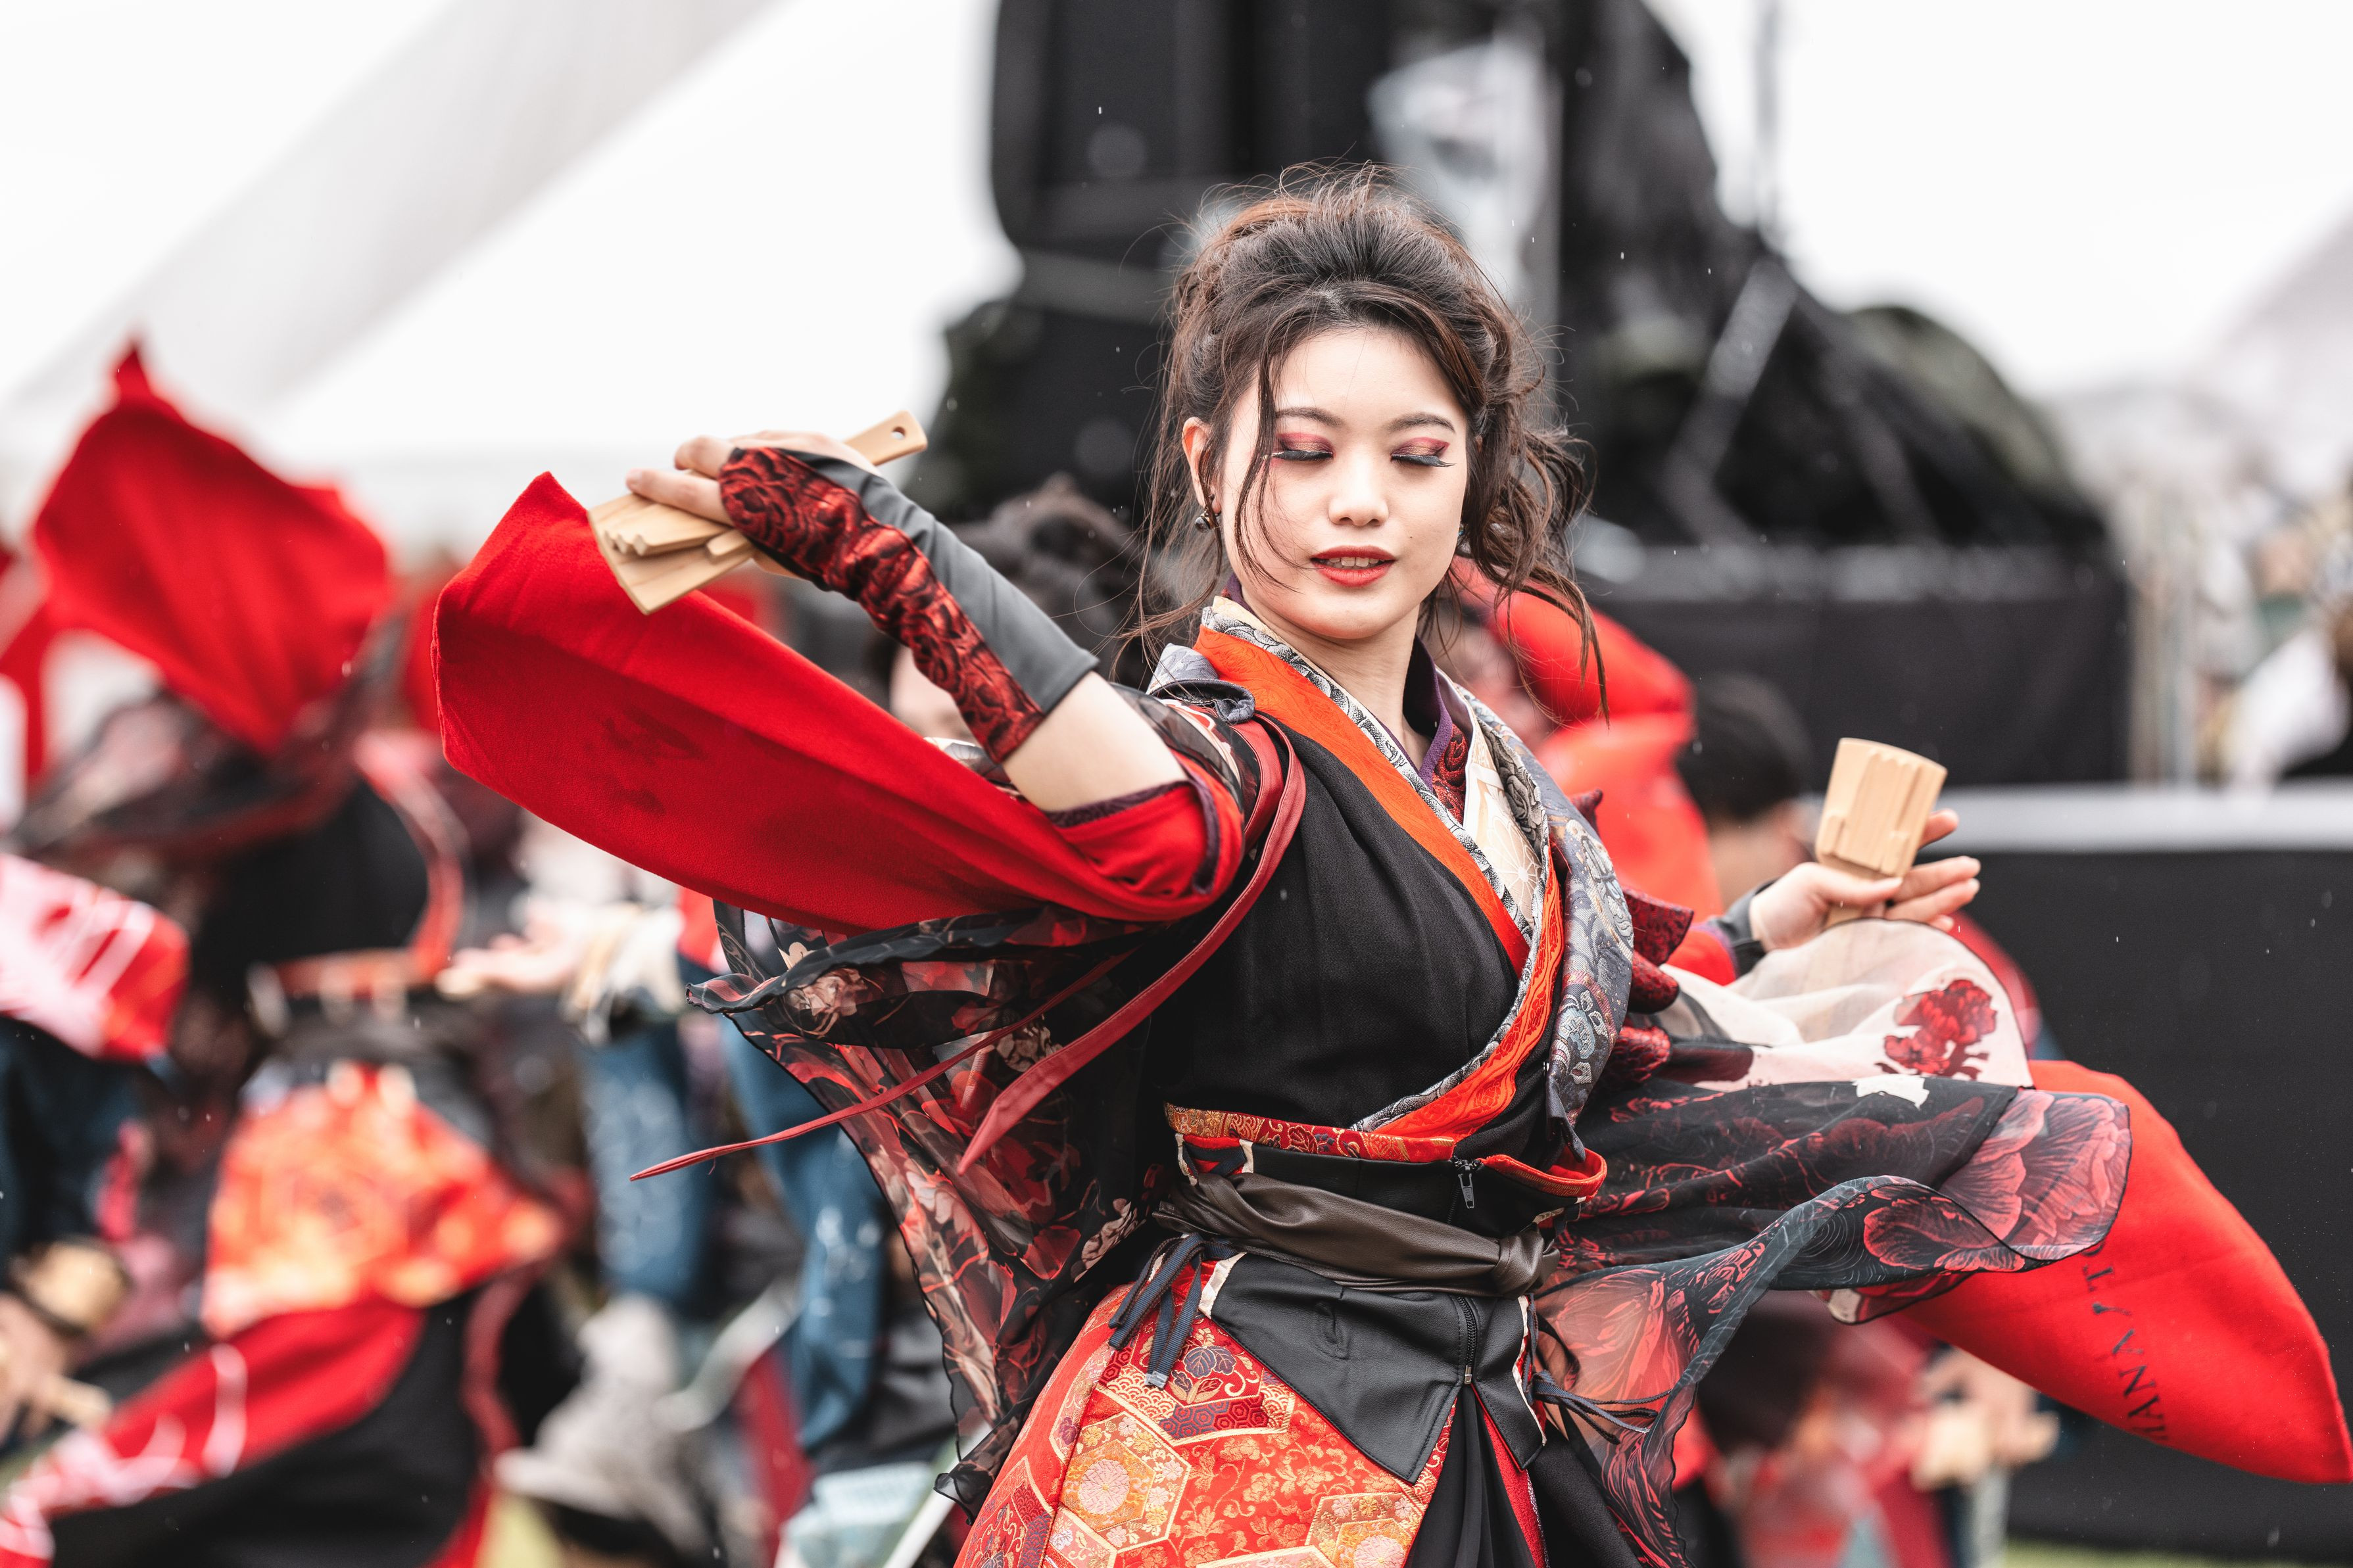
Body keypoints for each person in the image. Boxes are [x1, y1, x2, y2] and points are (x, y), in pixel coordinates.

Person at [436, 172, 2346, 1567]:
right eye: (1309, 451)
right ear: (1214, 464)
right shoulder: (1223, 748)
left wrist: (1769, 926)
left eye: (1412, 456)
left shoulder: (1484, 765)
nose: (1359, 501)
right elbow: (1138, 817)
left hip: (1472, 1427)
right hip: (1241, 1449)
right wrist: (883, 548)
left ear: (1468, 482)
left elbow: (1544, 1013)